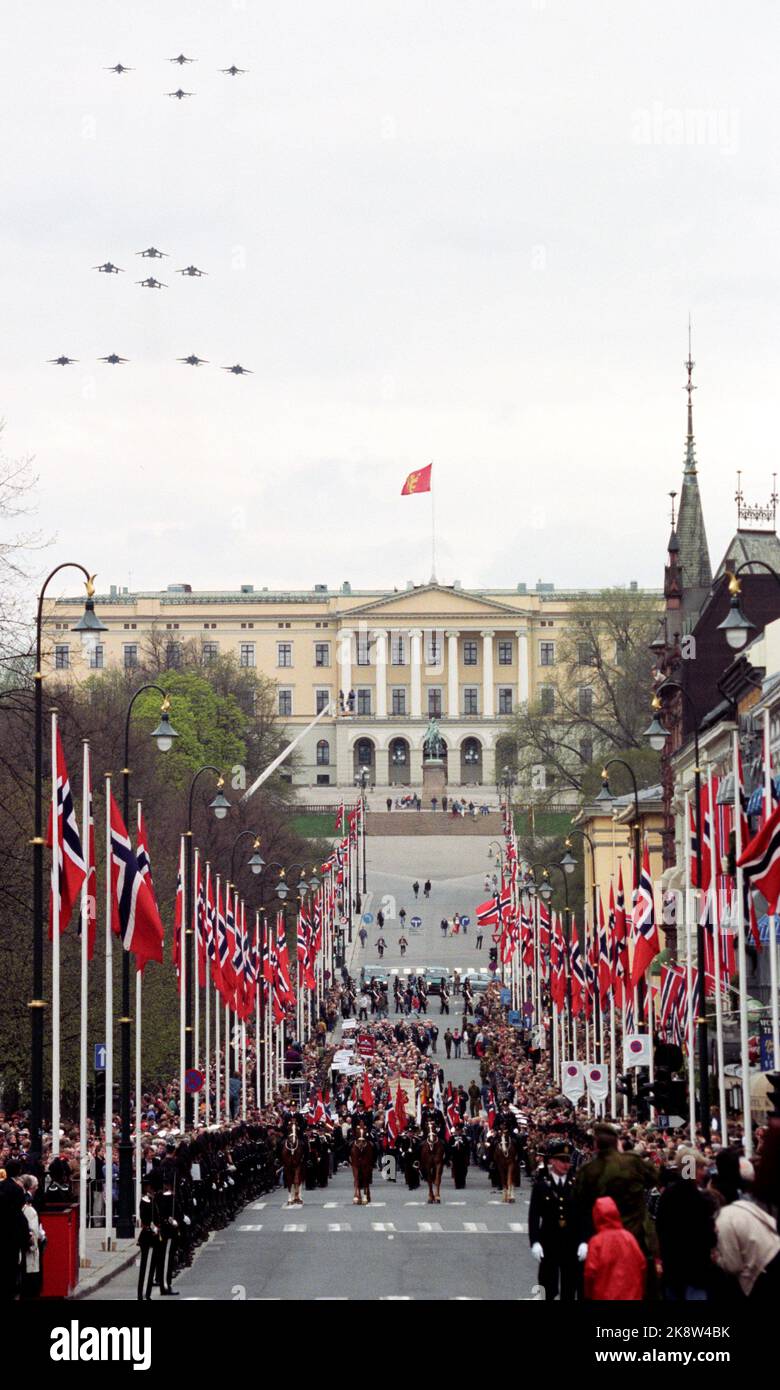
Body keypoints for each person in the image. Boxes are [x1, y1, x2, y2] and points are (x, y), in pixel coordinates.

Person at [529, 1140, 586, 1301]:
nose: (566, 1165)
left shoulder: (576, 1184)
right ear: (552, 1161)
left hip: (571, 1243)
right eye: (562, 1161)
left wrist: (583, 1241)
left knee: (570, 1287)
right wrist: (534, 1242)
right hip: (549, 1241)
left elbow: (583, 1215)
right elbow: (534, 1216)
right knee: (547, 1287)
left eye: (568, 1161)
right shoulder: (542, 1184)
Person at [583, 1197, 646, 1301]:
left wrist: (589, 1294)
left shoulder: (596, 1242)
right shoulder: (629, 1238)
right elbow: (642, 1265)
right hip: (631, 1295)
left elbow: (590, 1273)